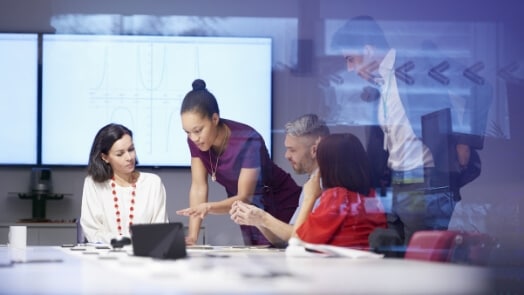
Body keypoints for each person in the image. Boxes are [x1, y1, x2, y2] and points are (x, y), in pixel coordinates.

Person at [330, 15, 486, 252]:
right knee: (392, 256)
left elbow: (479, 85)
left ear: (368, 49)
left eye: (350, 59)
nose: (349, 68)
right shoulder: (378, 85)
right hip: (396, 183)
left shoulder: (418, 66)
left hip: (427, 180)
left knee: (420, 259)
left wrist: (465, 141)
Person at [176, 79, 301, 246]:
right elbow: (199, 187)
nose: (193, 138)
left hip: (278, 202)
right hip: (245, 209)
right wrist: (193, 236)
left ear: (215, 119)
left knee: (285, 255)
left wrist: (208, 207)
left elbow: (244, 196)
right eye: (188, 132)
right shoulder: (195, 140)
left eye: (198, 130)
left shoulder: (247, 139)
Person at [229, 114, 330, 247]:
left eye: (292, 150)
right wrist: (256, 220)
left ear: (314, 150)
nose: (286, 155)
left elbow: (298, 237)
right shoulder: (311, 184)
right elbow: (286, 239)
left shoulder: (324, 186)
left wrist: (263, 218)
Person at [291, 133, 387, 248]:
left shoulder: (337, 197)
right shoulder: (372, 196)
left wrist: (309, 198)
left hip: (339, 264)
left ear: (327, 166)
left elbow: (296, 241)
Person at [80, 123, 168, 244]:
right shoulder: (93, 183)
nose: (129, 157)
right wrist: (123, 241)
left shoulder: (153, 183)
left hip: (144, 258)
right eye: (120, 154)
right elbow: (92, 231)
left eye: (131, 149)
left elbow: (160, 230)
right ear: (105, 157)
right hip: (105, 258)